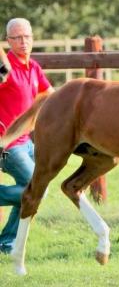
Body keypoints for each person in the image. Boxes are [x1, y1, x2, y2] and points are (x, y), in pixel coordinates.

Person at [0, 18, 54, 254]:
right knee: (36, 190)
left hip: (29, 142)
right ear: (8, 41)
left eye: (27, 37)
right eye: (18, 38)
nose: (24, 42)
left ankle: (6, 242)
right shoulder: (6, 69)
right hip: (8, 144)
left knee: (32, 191)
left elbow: (51, 96)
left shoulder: (33, 67)